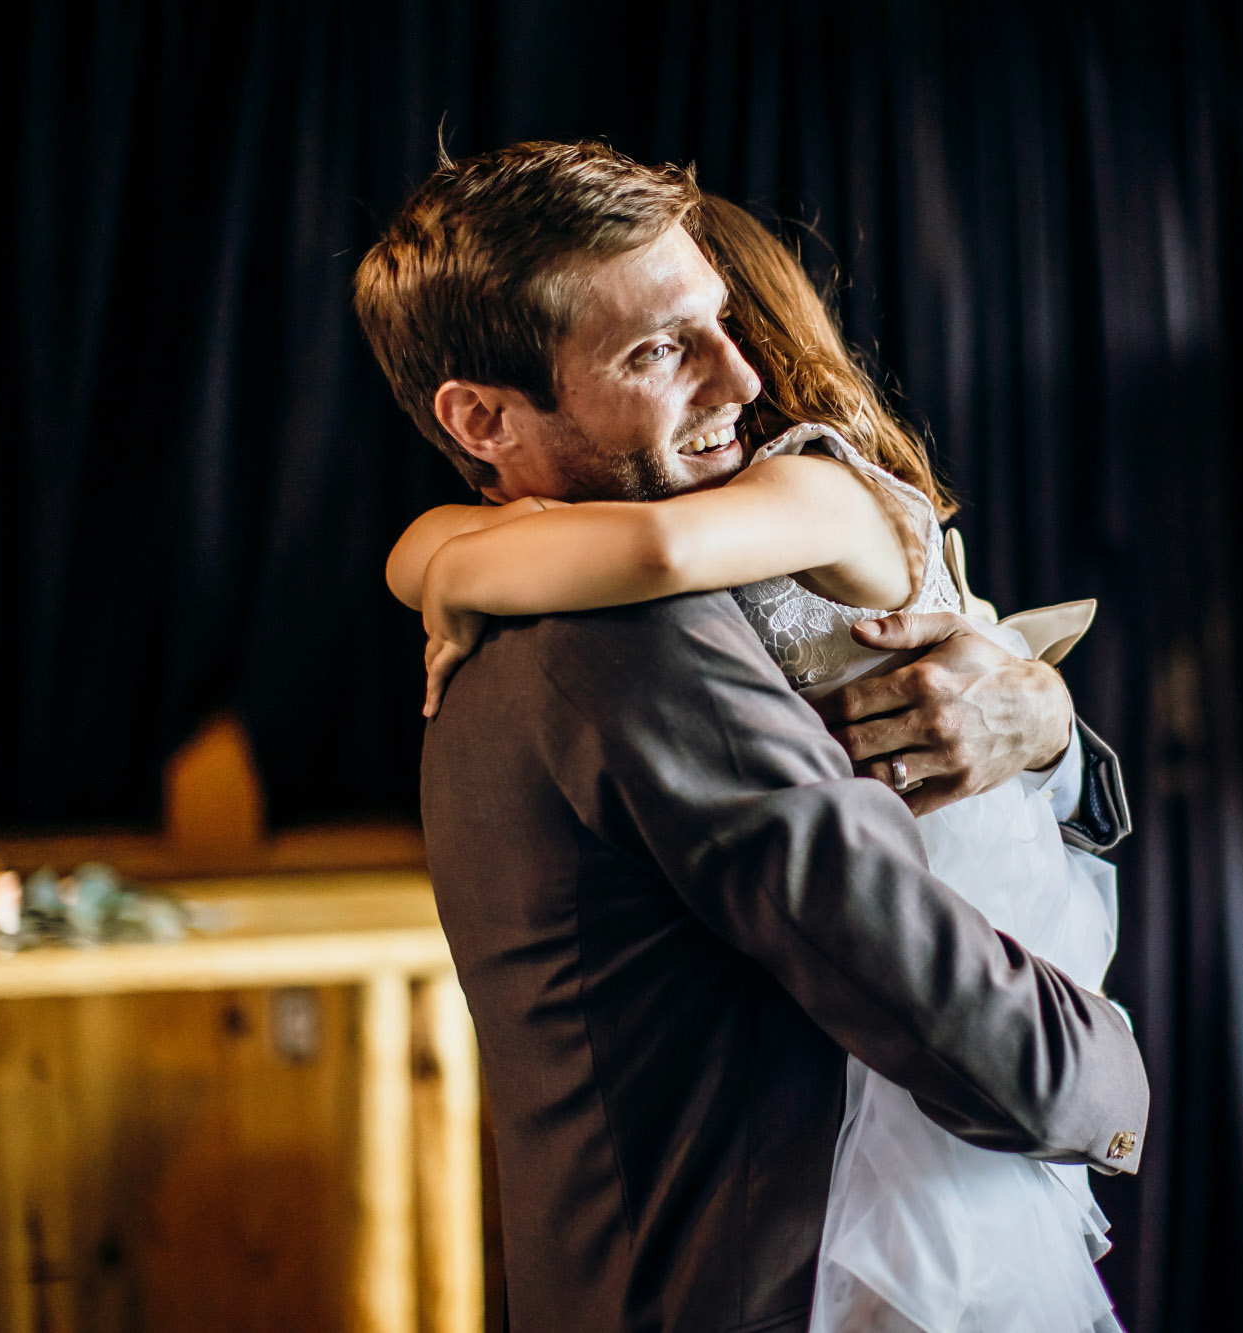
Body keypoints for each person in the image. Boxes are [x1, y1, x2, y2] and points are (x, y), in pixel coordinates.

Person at [353, 140, 1147, 1333]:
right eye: (659, 350)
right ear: (481, 416)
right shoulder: (621, 639)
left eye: (719, 322)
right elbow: (936, 998)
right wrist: (1115, 1082)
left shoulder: (558, 583)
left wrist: (436, 556)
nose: (737, 379)